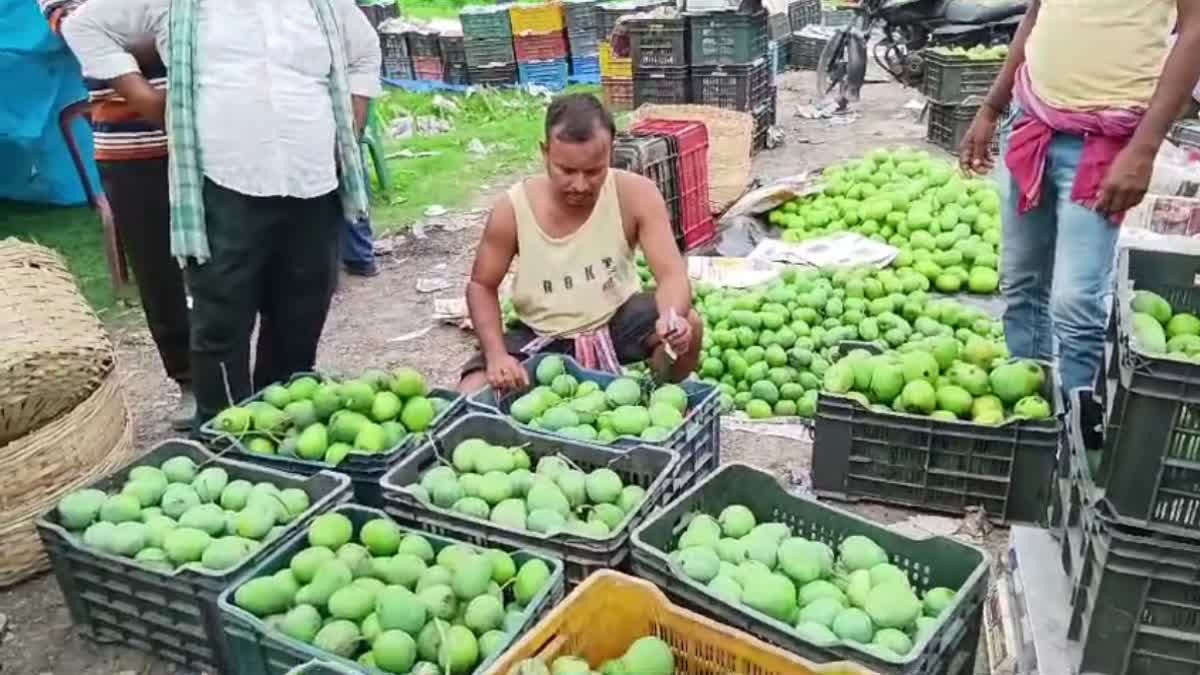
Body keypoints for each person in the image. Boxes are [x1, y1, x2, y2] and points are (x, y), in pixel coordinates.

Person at [62, 0, 382, 428]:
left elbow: (363, 51)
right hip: (226, 180)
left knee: (301, 310)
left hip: (313, 178)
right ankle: (225, 435)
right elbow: (86, 27)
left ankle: (284, 424)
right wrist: (149, 101)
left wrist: (352, 123)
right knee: (222, 318)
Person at [959, 0, 1200, 393]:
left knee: (1076, 301)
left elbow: (1195, 33)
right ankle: (1031, 401)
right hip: (1033, 122)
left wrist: (1143, 149)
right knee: (1021, 280)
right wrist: (991, 108)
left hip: (1106, 140)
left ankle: (1074, 428)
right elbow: (1037, 14)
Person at [458, 93, 702, 394]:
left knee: (690, 324)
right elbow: (481, 286)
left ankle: (656, 395)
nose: (580, 185)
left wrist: (671, 318)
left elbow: (671, 275)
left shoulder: (636, 195)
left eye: (593, 171)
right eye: (567, 171)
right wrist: (496, 355)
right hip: (542, 335)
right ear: (545, 154)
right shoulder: (513, 209)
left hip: (617, 322)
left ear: (610, 153)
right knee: (471, 391)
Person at [42, 0, 195, 430]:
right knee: (157, 269)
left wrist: (129, 36)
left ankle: (243, 366)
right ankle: (189, 380)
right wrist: (172, 34)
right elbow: (74, 29)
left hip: (211, 130)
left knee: (233, 251)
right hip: (129, 144)